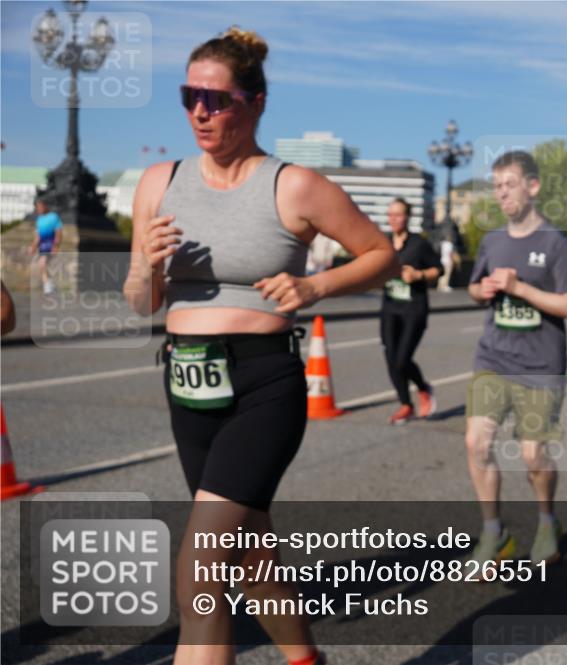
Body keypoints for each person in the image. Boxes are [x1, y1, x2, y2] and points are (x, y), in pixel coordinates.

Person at [122, 27, 397, 665]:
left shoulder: (294, 186)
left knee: (201, 557)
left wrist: (314, 284)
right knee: (247, 548)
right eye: (189, 96)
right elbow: (143, 303)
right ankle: (305, 659)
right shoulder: (159, 182)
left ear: (255, 102)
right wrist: (147, 266)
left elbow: (382, 254)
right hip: (187, 382)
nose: (198, 111)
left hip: (261, 385)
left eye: (215, 99)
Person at [464, 150, 567, 569]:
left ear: (532, 187)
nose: (501, 194)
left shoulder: (555, 243)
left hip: (540, 365)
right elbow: (473, 288)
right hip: (493, 357)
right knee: (476, 443)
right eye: (496, 186)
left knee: (534, 455)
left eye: (509, 185)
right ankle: (494, 533)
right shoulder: (492, 241)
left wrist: (521, 290)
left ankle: (547, 521)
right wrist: (485, 291)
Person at [381, 197, 443, 425]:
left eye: (398, 214)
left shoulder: (419, 244)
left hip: (414, 309)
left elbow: (439, 269)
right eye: (390, 215)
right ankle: (405, 404)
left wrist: (419, 275)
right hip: (390, 308)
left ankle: (423, 388)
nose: (394, 219)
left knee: (402, 359)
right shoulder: (384, 243)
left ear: (407, 217)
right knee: (389, 355)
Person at [30, 198, 63, 295]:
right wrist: (33, 247)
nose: (38, 209)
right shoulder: (39, 219)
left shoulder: (53, 217)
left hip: (50, 245)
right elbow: (38, 236)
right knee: (43, 266)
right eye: (37, 207)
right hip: (42, 247)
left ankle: (47, 285)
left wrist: (56, 246)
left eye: (40, 207)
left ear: (45, 206)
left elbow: (58, 232)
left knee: (42, 264)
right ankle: (49, 284)